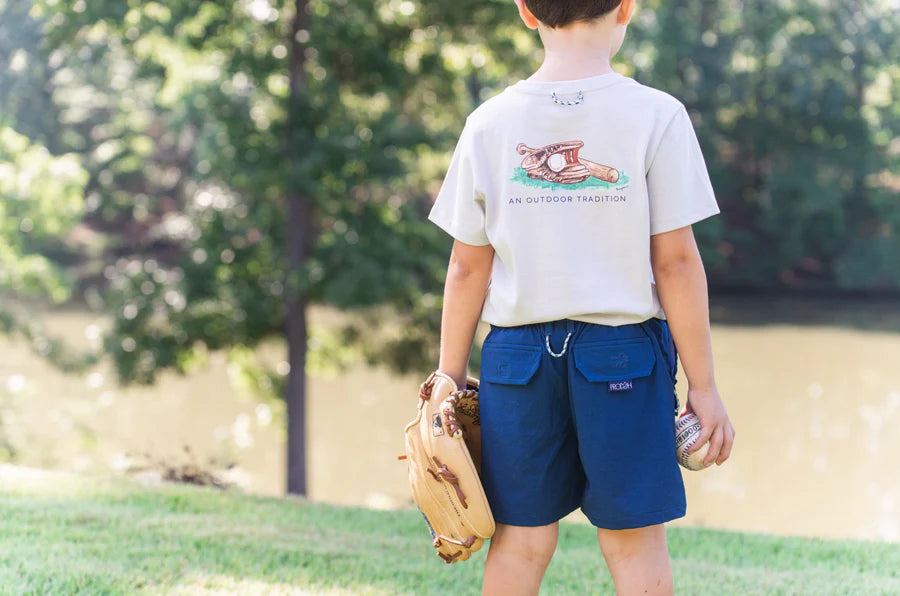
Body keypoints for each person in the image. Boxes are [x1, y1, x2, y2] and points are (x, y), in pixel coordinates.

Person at [426, 0, 736, 594]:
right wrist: (703, 386)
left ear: (525, 10)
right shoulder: (657, 115)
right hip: (622, 356)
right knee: (633, 541)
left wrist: (448, 372)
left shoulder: (489, 122)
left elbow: (467, 267)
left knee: (521, 540)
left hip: (515, 362)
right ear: (627, 6)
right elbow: (674, 262)